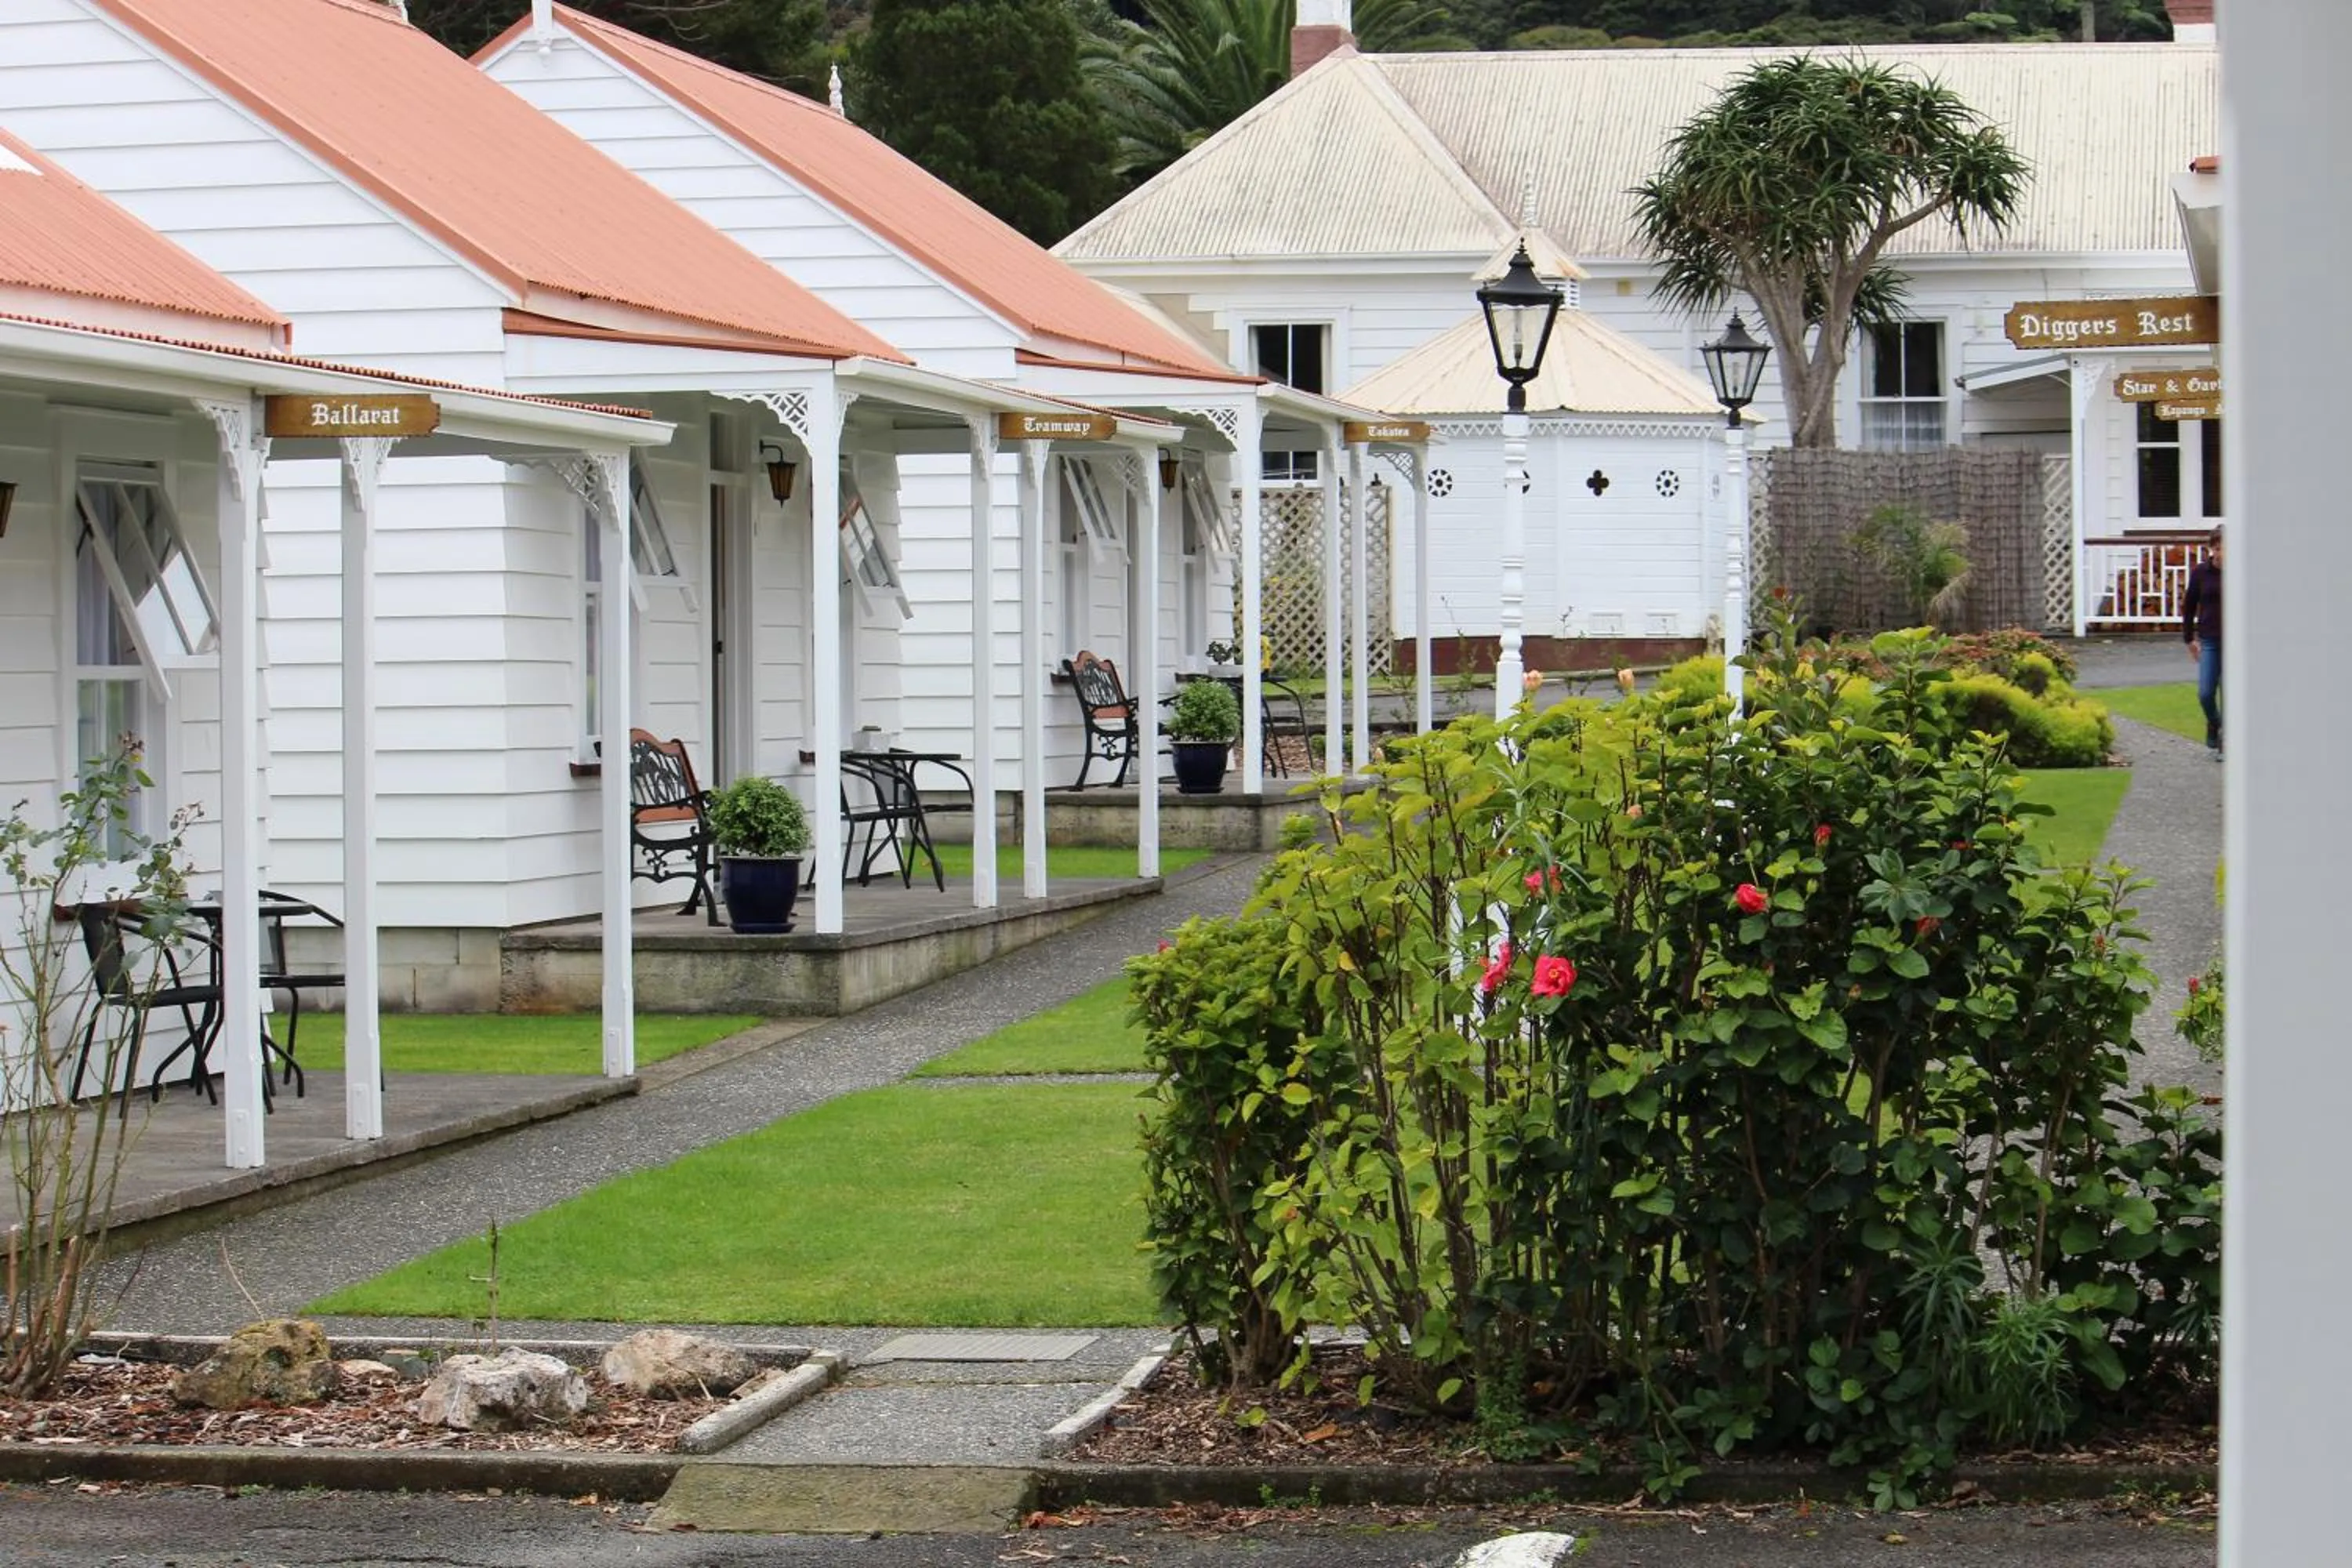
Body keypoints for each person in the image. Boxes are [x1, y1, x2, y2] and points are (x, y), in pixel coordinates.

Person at [2182, 526, 2223, 757]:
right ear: (2212, 549)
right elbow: (2189, 606)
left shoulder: (2241, 572)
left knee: (2230, 694)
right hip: (2209, 640)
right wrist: (2189, 638)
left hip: (2235, 643)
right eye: (2218, 548)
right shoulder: (2201, 573)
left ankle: (2226, 743)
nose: (2221, 553)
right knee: (2206, 693)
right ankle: (2214, 723)